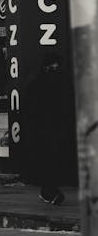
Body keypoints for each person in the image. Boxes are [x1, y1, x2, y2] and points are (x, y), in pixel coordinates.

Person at [24, 52, 74, 205]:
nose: (54, 69)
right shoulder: (60, 82)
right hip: (50, 129)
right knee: (51, 160)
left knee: (50, 160)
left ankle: (49, 190)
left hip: (48, 129)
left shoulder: (38, 83)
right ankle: (50, 190)